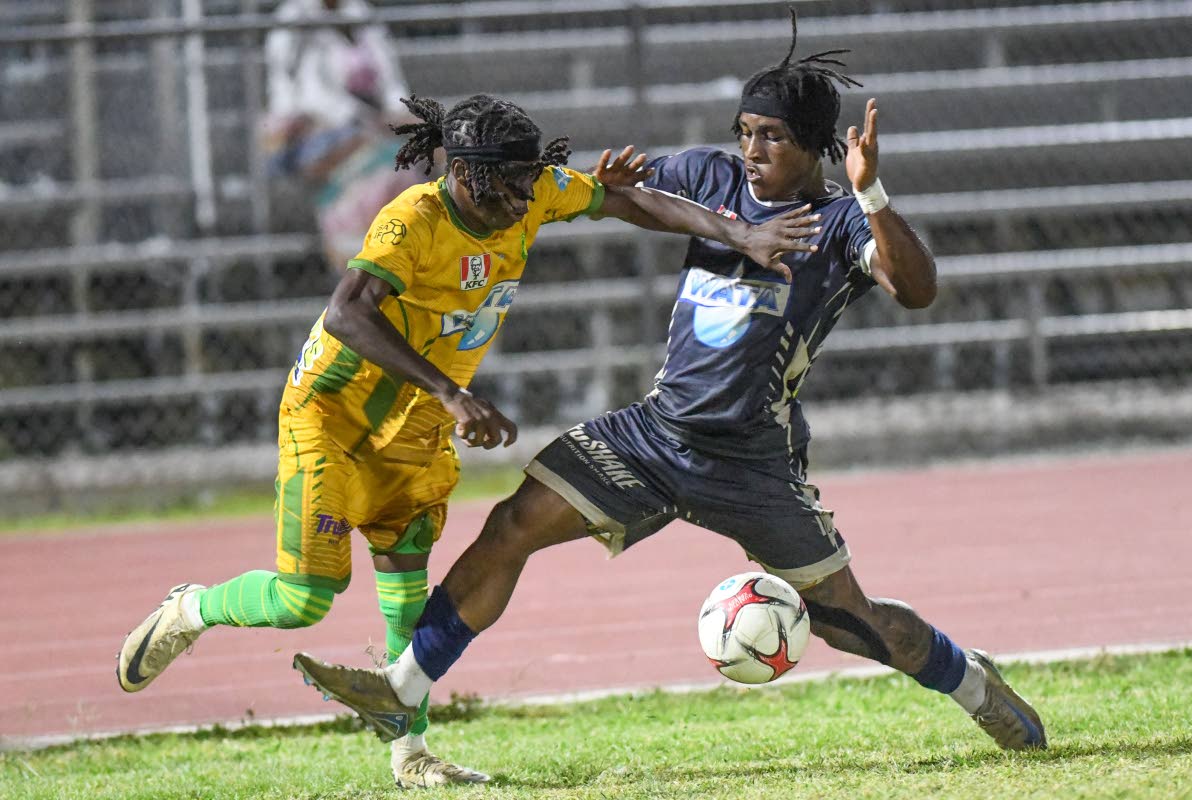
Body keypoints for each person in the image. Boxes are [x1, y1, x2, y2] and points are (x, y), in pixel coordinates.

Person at [290, 32, 1048, 773]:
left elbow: (917, 290)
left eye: (773, 137)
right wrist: (611, 179)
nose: (752, 150)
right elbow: (622, 192)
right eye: (745, 132)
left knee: (852, 626)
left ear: (816, 145)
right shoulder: (710, 178)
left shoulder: (843, 221)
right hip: (654, 435)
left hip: (753, 460)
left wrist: (871, 190)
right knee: (514, 523)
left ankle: (971, 682)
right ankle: (403, 687)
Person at [116, 91, 819, 789]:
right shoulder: (413, 221)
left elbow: (629, 203)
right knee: (307, 597)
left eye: (530, 186)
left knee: (406, 597)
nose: (525, 204)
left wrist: (741, 235)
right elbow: (346, 313)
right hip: (333, 418)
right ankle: (191, 608)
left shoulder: (529, 187)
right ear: (466, 175)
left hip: (419, 428)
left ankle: (412, 756)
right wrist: (452, 392)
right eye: (510, 190)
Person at [261, 0, 424, 272]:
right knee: (381, 158)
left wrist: (400, 115)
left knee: (414, 151)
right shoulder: (295, 18)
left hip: (369, 123)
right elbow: (291, 93)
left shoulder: (359, 13)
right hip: (316, 127)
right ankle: (356, 260)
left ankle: (390, 256)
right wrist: (354, 122)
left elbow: (389, 83)